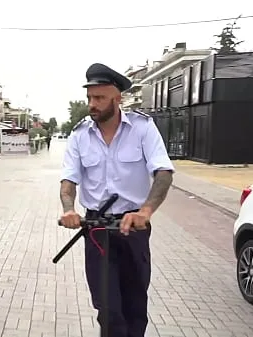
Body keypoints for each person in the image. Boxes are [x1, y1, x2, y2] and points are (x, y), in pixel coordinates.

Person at [58, 63, 174, 337]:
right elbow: (68, 182)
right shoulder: (79, 135)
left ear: (117, 97)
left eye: (99, 98)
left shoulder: (143, 128)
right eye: (90, 98)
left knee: (135, 306)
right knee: (108, 310)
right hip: (97, 230)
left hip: (133, 228)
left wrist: (145, 212)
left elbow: (163, 172)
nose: (92, 105)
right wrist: (68, 210)